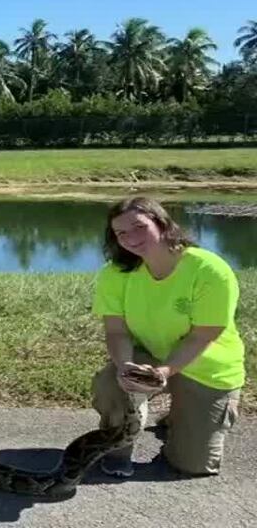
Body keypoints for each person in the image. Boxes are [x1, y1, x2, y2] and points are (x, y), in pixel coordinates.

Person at [90, 197, 243, 478]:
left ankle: (178, 419)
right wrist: (124, 367)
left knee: (194, 466)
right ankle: (116, 448)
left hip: (205, 366)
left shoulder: (209, 270)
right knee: (111, 384)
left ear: (162, 224)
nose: (131, 238)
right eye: (121, 232)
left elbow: (203, 335)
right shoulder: (115, 273)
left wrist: (165, 371)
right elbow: (116, 331)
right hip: (148, 355)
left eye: (139, 227)